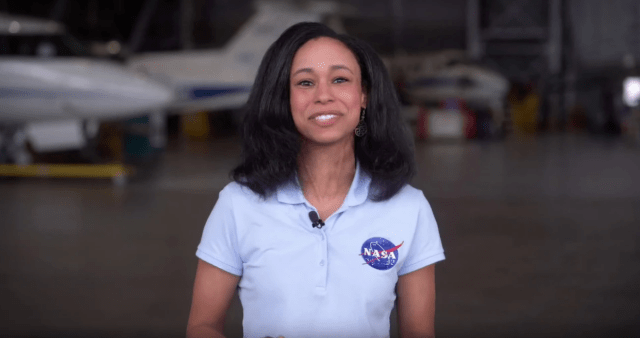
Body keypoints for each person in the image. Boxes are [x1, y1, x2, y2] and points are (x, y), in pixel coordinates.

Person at [186, 22, 445, 338]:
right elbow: (201, 326)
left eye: (340, 79)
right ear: (285, 98)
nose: (324, 95)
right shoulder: (237, 203)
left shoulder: (409, 208)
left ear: (363, 95)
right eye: (305, 82)